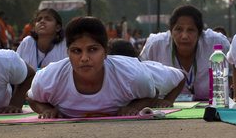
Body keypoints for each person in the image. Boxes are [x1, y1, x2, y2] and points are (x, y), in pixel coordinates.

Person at [27, 17, 185, 118]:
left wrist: (137, 105)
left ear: (105, 52)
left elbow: (179, 77)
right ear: (67, 53)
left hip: (138, 70)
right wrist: (45, 109)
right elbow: (32, 98)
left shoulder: (134, 76)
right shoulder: (49, 78)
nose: (84, 58)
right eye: (76, 51)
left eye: (93, 50)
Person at [139, 5, 230, 101]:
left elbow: (233, 73)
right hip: (164, 108)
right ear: (171, 31)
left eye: (190, 30)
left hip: (212, 107)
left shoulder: (217, 42)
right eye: (178, 29)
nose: (184, 36)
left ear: (199, 33)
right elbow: (139, 78)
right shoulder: (155, 45)